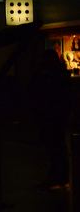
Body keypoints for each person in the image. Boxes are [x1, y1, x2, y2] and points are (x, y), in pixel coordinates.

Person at [30, 49, 72, 189]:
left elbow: (37, 94)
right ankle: (63, 176)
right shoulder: (60, 75)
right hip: (57, 116)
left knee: (53, 147)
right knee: (58, 147)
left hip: (50, 115)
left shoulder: (45, 75)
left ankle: (56, 176)